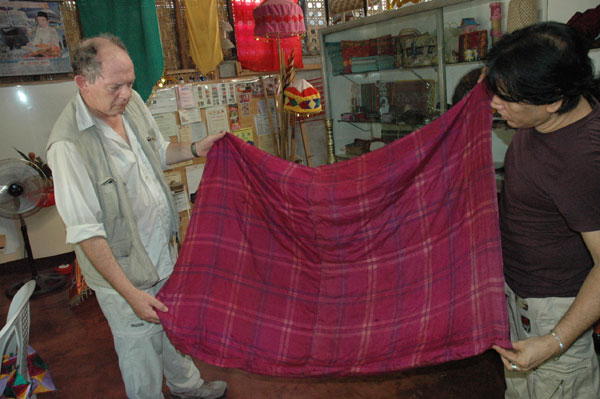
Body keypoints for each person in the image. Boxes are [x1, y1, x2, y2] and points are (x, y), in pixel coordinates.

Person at [46, 34, 228, 399]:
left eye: (130, 84)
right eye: (117, 87)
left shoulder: (129, 106)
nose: (127, 94)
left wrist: (195, 148)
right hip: (126, 275)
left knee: (169, 329)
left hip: (162, 252)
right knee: (139, 352)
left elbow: (157, 151)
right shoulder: (68, 146)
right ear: (83, 82)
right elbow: (86, 233)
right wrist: (129, 294)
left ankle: (187, 386)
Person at [483, 22, 600, 398]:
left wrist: (554, 342)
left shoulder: (579, 160)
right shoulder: (546, 113)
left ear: (552, 99)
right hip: (523, 297)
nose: (494, 105)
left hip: (555, 313)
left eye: (506, 97)